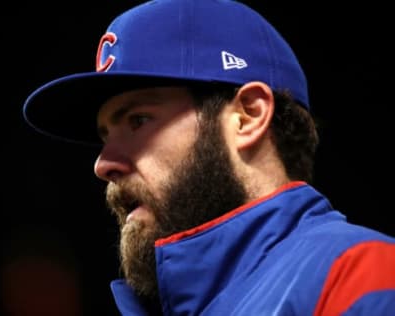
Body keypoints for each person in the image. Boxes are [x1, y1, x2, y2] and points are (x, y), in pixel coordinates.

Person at [22, 0, 395, 315]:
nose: (102, 165)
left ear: (248, 115)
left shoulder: (362, 273)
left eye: (138, 120)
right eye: (104, 135)